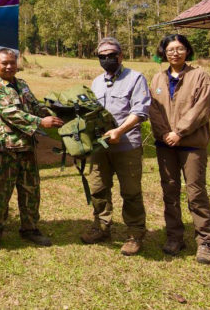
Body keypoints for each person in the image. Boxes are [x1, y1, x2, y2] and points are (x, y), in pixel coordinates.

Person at [0, 48, 63, 253]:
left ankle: (30, 228)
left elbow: (35, 106)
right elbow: (13, 114)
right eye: (5, 63)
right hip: (4, 148)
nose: (9, 66)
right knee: (0, 193)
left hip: (26, 147)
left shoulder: (23, 85)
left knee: (30, 190)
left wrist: (55, 113)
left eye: (12, 62)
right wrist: (40, 121)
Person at [80, 37, 151, 256]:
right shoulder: (97, 82)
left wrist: (119, 131)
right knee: (98, 188)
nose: (107, 59)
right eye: (102, 56)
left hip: (126, 146)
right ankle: (102, 228)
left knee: (130, 192)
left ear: (120, 56)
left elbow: (140, 112)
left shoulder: (135, 78)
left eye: (111, 55)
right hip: (100, 148)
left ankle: (134, 234)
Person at [149, 34, 210, 264]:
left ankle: (205, 241)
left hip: (191, 144)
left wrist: (180, 132)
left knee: (196, 192)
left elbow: (202, 108)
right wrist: (165, 133)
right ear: (163, 53)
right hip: (165, 144)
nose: (174, 53)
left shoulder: (199, 76)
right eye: (170, 49)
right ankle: (175, 237)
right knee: (170, 191)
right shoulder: (157, 79)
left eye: (179, 48)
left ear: (187, 50)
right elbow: (153, 110)